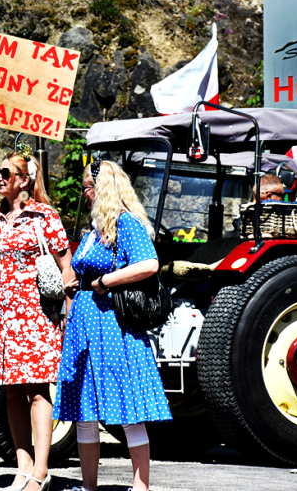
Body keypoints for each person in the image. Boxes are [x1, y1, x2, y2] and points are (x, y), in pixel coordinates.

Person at [53, 161, 172, 491]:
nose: (84, 193)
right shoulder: (95, 230)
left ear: (104, 188)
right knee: (85, 409)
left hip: (112, 326)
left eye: (88, 187)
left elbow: (149, 264)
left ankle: (141, 486)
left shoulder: (125, 223)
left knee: (126, 406)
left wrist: (106, 280)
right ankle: (89, 487)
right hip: (87, 323)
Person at [0, 153, 75, 491]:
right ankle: (23, 466)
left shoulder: (44, 215)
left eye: (6, 172)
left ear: (23, 179)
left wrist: (69, 311)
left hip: (34, 315)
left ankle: (41, 470)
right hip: (1, 317)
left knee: (36, 391)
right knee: (10, 393)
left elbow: (66, 266)